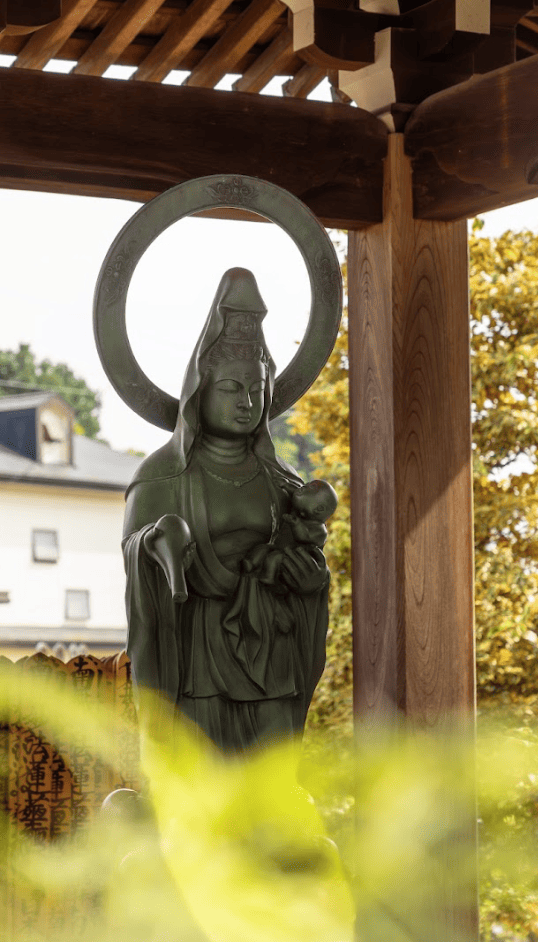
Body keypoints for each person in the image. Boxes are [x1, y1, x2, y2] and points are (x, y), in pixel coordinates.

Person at [122, 267, 331, 754]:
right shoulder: (163, 476)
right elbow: (135, 552)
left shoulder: (280, 481)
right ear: (201, 391)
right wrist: (157, 544)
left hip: (272, 647)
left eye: (257, 389)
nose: (248, 402)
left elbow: (307, 551)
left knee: (274, 772)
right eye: (231, 389)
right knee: (205, 771)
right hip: (199, 650)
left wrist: (306, 575)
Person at [244, 479, 338, 585]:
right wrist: (285, 485)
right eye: (306, 485)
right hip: (277, 546)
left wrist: (296, 524)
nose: (304, 487)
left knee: (273, 559)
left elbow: (304, 537)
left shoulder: (319, 530)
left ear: (319, 509)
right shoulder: (299, 510)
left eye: (310, 489)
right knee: (262, 548)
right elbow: (296, 491)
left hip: (290, 557)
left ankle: (268, 577)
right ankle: (250, 563)